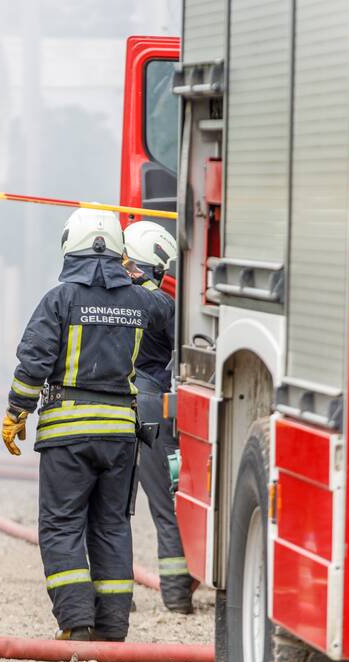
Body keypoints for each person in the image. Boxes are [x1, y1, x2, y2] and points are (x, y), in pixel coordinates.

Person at [1, 208, 167, 642]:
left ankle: (77, 623)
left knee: (62, 524)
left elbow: (33, 360)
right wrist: (140, 277)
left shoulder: (59, 299)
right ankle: (113, 628)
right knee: (112, 524)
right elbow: (169, 322)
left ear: (68, 246)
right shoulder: (141, 300)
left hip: (66, 435)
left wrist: (17, 410)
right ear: (120, 252)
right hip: (119, 436)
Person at [123, 220, 193, 613]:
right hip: (152, 404)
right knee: (167, 505)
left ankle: (116, 597)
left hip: (114, 402)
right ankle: (178, 597)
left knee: (113, 507)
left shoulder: (108, 296)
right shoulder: (162, 303)